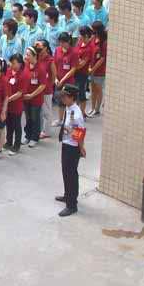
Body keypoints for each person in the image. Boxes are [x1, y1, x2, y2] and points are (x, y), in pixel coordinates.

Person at [56, 84, 85, 217]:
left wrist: (81, 148)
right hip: (66, 144)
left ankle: (72, 205)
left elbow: (80, 133)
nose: (62, 99)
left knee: (70, 174)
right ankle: (68, 195)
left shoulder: (77, 114)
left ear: (72, 97)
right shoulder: (69, 108)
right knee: (66, 172)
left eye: (65, 97)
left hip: (72, 147)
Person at [4, 53, 26, 155]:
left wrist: (8, 99)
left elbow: (20, 93)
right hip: (8, 104)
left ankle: (16, 145)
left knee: (16, 125)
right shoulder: (9, 71)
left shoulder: (23, 75)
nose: (11, 65)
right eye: (11, 63)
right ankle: (8, 142)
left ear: (20, 64)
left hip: (16, 104)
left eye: (14, 63)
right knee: (9, 124)